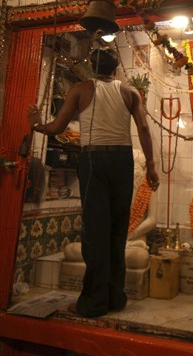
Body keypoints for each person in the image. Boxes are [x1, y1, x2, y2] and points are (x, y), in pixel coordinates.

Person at [27, 47, 159, 318]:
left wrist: (38, 124)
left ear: (92, 66)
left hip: (94, 160)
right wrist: (152, 166)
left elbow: (57, 128)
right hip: (122, 161)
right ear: (115, 69)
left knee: (95, 231)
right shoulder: (130, 92)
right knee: (116, 230)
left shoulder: (80, 89)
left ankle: (94, 302)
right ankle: (115, 297)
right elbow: (144, 129)